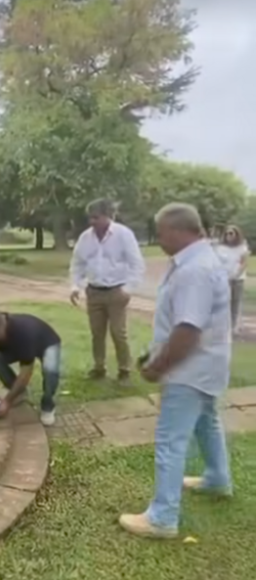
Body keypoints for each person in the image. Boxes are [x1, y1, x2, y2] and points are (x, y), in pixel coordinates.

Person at [119, 202, 232, 539]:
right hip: (207, 365)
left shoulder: (194, 270)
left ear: (179, 230)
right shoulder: (198, 260)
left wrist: (158, 366)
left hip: (190, 370)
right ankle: (217, 478)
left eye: (161, 232)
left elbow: (187, 330)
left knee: (171, 438)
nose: (158, 238)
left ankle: (162, 518)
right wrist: (154, 351)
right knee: (207, 421)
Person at [69, 198, 145, 387]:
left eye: (96, 217)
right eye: (90, 218)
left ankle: (124, 370)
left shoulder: (123, 234)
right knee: (97, 333)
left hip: (116, 291)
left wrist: (127, 290)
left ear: (108, 216)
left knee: (118, 333)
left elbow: (137, 264)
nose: (92, 222)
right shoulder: (86, 237)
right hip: (94, 292)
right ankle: (99, 367)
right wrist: (75, 286)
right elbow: (77, 264)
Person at [214, 225, 248, 334]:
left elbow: (244, 262)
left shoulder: (242, 247)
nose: (229, 236)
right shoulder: (220, 248)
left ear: (236, 235)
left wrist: (237, 274)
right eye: (227, 233)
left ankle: (233, 326)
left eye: (231, 233)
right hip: (223, 278)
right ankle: (223, 325)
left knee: (235, 302)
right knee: (223, 302)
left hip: (237, 279)